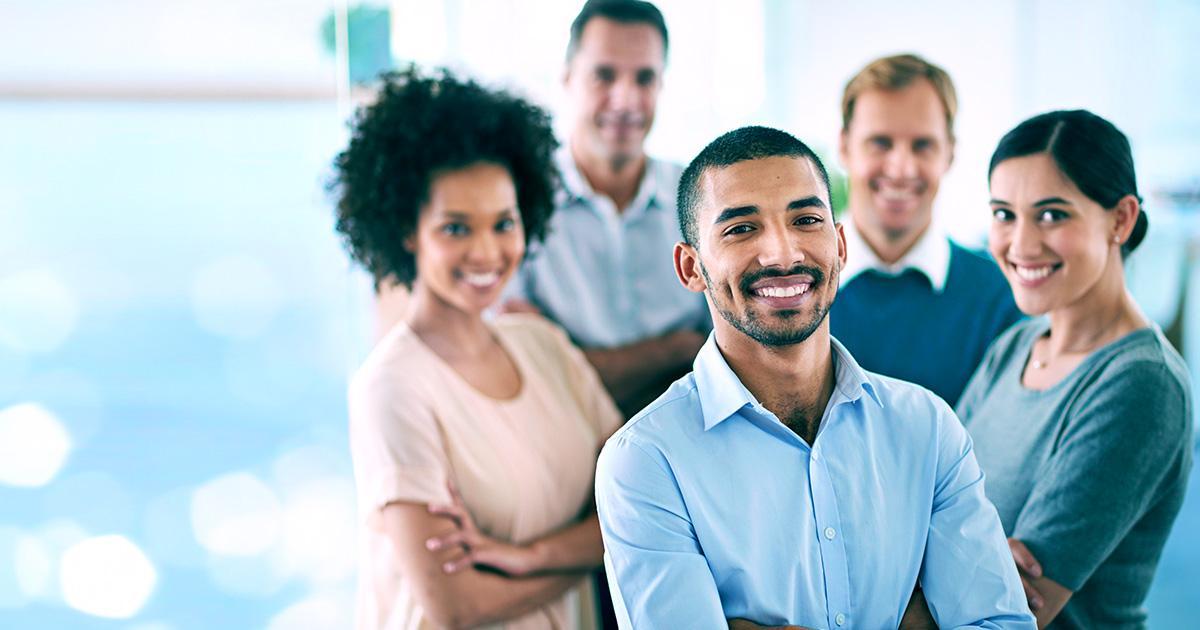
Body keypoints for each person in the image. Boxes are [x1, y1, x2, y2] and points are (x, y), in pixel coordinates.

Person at [594, 125, 1034, 629]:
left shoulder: (927, 428)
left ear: (840, 245)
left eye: (805, 220)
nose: (782, 255)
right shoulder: (647, 461)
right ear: (691, 266)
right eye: (740, 229)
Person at [333, 67, 623, 630]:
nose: (487, 252)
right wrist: (597, 551)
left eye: (503, 223)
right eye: (456, 228)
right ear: (406, 230)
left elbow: (642, 500)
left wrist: (526, 558)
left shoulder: (543, 346)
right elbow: (456, 606)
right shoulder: (391, 388)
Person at [957, 109, 1194, 629]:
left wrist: (945, 548)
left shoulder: (1140, 385)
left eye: (1051, 215)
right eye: (1004, 214)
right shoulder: (1017, 346)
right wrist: (968, 557)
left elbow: (1010, 613)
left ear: (1121, 219)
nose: (1020, 245)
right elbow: (931, 496)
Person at [502, 0, 709, 417]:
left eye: (645, 78)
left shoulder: (702, 195)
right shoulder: (516, 204)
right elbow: (535, 374)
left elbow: (735, 358)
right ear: (566, 80)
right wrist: (679, 348)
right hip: (564, 452)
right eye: (604, 75)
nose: (626, 100)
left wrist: (578, 358)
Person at [830, 54, 1022, 406]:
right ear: (844, 146)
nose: (901, 169)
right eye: (880, 143)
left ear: (949, 153)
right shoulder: (790, 287)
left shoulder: (1000, 297)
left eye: (922, 145)